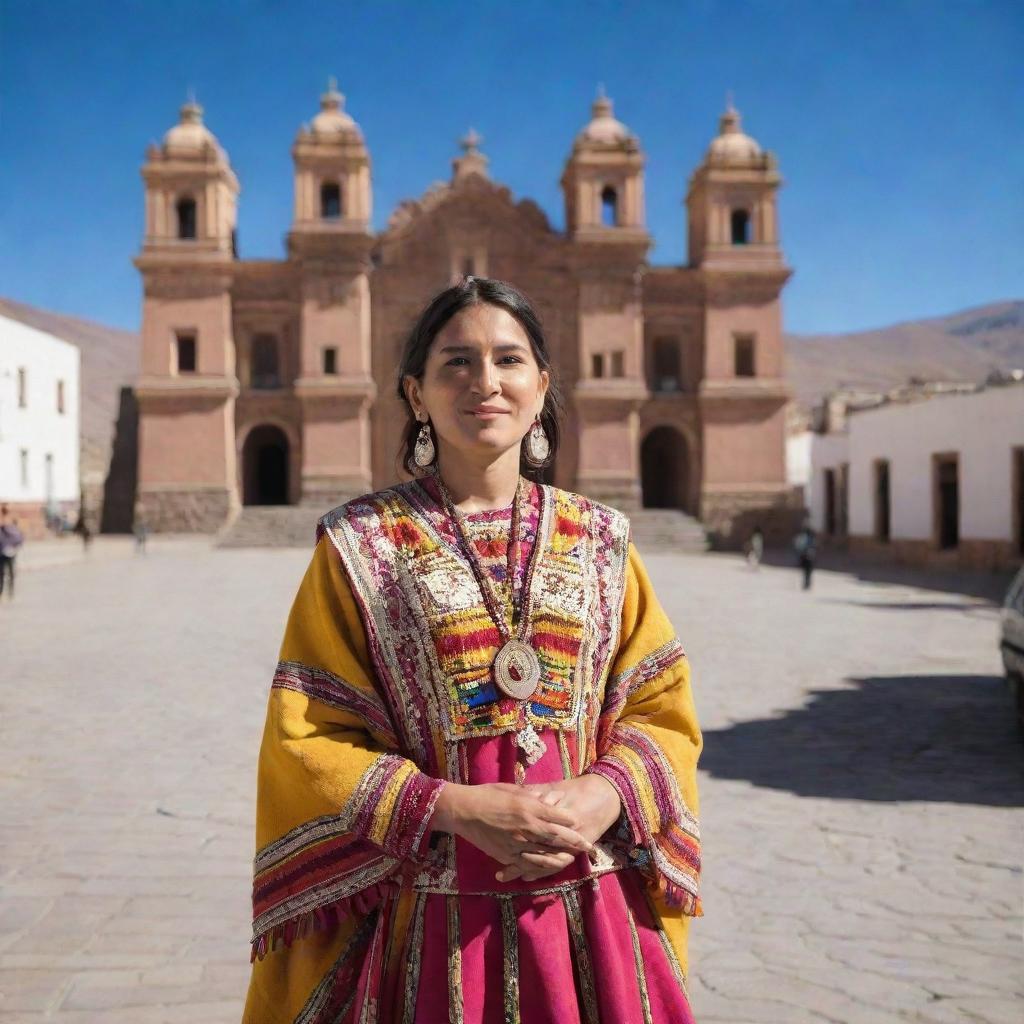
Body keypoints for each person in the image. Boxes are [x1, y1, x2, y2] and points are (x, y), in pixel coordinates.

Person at [242, 277, 703, 1023]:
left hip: (590, 915)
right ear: (416, 394)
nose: (484, 383)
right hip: (421, 929)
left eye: (508, 361)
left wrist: (604, 793)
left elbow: (661, 709)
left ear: (542, 386)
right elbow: (307, 736)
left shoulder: (604, 541)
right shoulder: (360, 548)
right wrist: (452, 807)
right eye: (456, 362)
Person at [0, 509, 24, 600]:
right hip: (1, 553)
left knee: (10, 573)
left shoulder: (11, 527)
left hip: (10, 553)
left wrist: (14, 547)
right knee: (1, 574)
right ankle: (1, 592)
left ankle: (10, 591)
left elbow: (19, 538)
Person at [793, 519, 817, 590]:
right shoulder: (804, 536)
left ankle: (807, 583)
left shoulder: (809, 536)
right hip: (806, 555)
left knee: (807, 570)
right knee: (807, 570)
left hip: (808, 554)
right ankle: (807, 583)